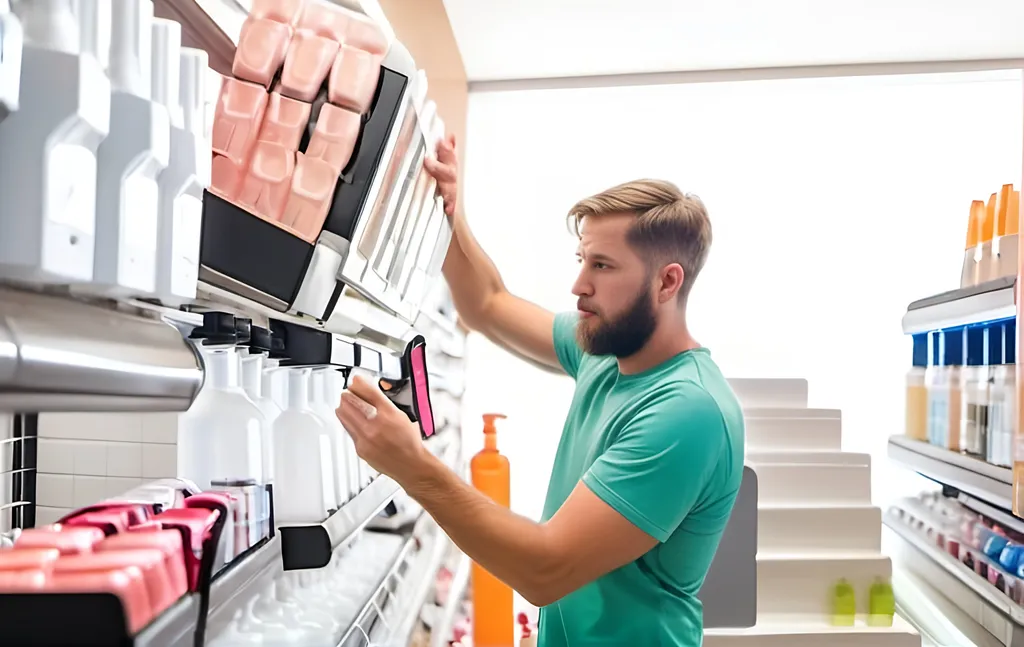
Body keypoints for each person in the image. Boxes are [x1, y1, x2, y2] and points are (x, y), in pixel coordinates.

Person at [336, 134, 745, 647]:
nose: (578, 284)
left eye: (602, 265)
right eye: (582, 259)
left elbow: (546, 569)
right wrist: (450, 209)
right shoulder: (604, 352)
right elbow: (485, 302)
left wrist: (412, 467)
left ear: (667, 283)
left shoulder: (688, 411)